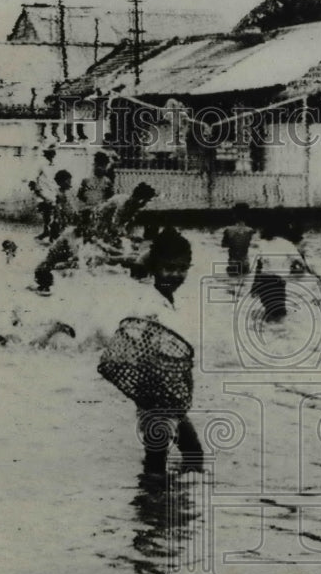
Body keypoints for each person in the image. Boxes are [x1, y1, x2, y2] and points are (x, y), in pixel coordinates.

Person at [96, 228, 204, 473]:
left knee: (191, 454)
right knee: (159, 459)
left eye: (182, 269)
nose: (176, 274)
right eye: (169, 268)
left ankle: (160, 503)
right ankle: (152, 504)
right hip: (155, 396)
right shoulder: (150, 304)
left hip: (166, 394)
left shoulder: (163, 298)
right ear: (155, 268)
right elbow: (138, 347)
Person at [251, 213, 315, 322]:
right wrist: (316, 277)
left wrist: (254, 286)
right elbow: (302, 263)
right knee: (279, 316)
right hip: (277, 283)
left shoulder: (262, 243)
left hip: (263, 282)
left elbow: (259, 265)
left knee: (270, 313)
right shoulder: (287, 245)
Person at [29, 143, 59, 241]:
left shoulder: (55, 165)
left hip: (53, 193)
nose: (52, 155)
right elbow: (33, 179)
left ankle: (51, 233)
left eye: (53, 153)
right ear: (46, 154)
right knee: (47, 214)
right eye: (50, 153)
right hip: (44, 194)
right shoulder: (41, 164)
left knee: (54, 214)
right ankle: (47, 232)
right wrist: (38, 192)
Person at [221, 202, 256, 277]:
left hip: (233, 263)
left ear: (234, 215)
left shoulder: (228, 230)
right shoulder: (250, 230)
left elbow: (223, 245)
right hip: (245, 264)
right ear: (247, 215)